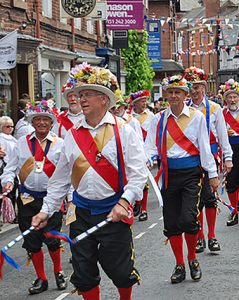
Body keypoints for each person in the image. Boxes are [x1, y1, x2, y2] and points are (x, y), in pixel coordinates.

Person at [31, 63, 148, 300]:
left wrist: (124, 203)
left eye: (87, 95)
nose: (81, 99)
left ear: (104, 99)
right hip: (81, 213)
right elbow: (60, 179)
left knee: (121, 271)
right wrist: (46, 210)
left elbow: (138, 174)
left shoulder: (123, 131)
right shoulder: (72, 135)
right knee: (83, 274)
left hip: (113, 211)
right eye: (79, 95)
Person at [145, 75, 219, 284]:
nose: (174, 96)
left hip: (192, 175)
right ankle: (179, 264)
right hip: (168, 176)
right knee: (172, 223)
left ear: (186, 95)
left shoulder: (196, 117)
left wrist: (212, 174)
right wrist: (146, 160)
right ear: (166, 95)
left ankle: (192, 259)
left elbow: (205, 148)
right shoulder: (158, 119)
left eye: (178, 92)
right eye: (171, 92)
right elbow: (149, 146)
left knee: (188, 218)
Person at [1, 101, 67, 295]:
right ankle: (42, 278)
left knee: (52, 238)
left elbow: (65, 173)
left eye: (45, 119)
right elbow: (10, 167)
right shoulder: (20, 143)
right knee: (32, 240)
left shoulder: (60, 144)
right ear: (32, 122)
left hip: (52, 200)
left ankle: (58, 271)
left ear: (51, 122)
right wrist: (7, 181)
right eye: (37, 119)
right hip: (27, 199)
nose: (41, 123)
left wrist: (70, 197)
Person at [184, 67, 233, 253]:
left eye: (197, 87)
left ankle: (211, 235)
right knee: (195, 200)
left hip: (211, 158)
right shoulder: (185, 109)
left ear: (204, 88)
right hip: (192, 159)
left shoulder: (215, 108)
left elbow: (222, 136)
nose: (194, 90)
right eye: (191, 87)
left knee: (210, 198)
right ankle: (200, 237)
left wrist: (228, 158)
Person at [130, 90, 155, 221]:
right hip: (133, 150)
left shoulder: (150, 116)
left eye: (145, 101)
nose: (144, 104)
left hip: (145, 150)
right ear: (135, 103)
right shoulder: (129, 117)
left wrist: (151, 156)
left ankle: (144, 209)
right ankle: (137, 204)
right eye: (142, 101)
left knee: (143, 179)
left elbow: (153, 135)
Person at [219, 79, 239, 226]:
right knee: (231, 181)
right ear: (225, 99)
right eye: (229, 97)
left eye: (235, 97)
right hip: (230, 150)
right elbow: (216, 131)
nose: (232, 100)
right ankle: (234, 211)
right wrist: (225, 132)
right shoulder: (221, 114)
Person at [52, 73, 83, 139]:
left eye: (76, 96)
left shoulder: (89, 116)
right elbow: (53, 139)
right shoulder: (60, 118)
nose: (72, 99)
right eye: (70, 96)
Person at [0, 116, 18, 222]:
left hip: (12, 169)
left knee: (10, 194)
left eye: (12, 126)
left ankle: (11, 215)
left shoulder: (13, 139)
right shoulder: (2, 138)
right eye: (8, 126)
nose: (10, 128)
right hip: (4, 168)